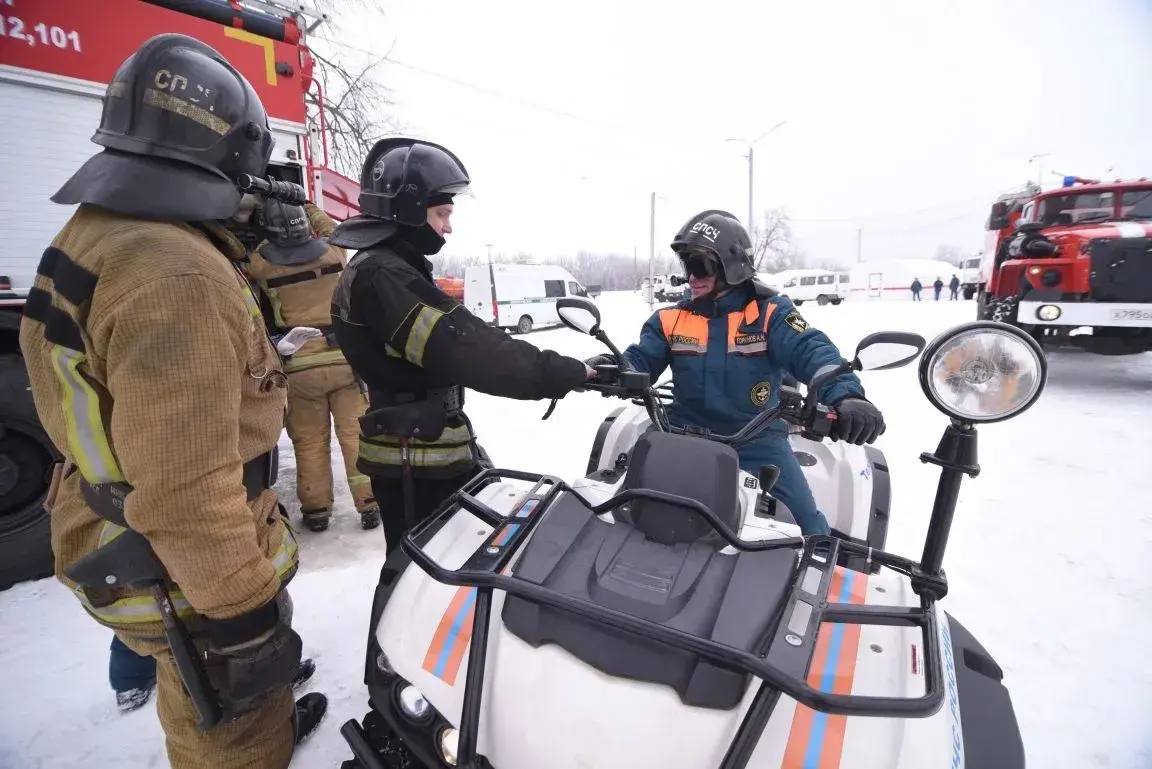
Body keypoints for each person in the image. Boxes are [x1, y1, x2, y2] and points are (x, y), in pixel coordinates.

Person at [19, 34, 325, 767]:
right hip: (182, 564)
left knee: (190, 687)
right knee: (233, 718)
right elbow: (186, 488)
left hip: (123, 529)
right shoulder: (175, 272)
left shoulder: (100, 230)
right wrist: (245, 615)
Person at [329, 138, 593, 553]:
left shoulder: (384, 269)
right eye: (441, 214)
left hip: (419, 445)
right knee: (420, 572)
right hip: (414, 458)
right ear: (410, 210)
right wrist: (561, 371)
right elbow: (468, 348)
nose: (447, 228)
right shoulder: (385, 276)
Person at [599, 210, 885, 535]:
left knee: (809, 527)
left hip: (757, 440)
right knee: (629, 509)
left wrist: (846, 394)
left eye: (701, 266)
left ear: (731, 267)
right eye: (687, 266)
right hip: (679, 433)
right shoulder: (670, 319)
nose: (691, 277)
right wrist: (611, 369)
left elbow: (811, 349)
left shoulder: (770, 313)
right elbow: (639, 360)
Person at [244, 199, 381, 532]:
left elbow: (247, 254)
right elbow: (332, 229)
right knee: (354, 436)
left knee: (309, 442)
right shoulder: (333, 252)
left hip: (299, 368)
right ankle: (369, 504)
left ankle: (317, 511)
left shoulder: (261, 264)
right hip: (344, 361)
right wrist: (304, 205)